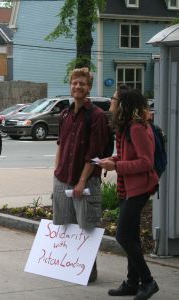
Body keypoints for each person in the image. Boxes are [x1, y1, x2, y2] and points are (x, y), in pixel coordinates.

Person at [98, 89, 159, 300]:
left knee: (123, 235)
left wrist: (117, 167)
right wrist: (113, 159)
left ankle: (148, 281)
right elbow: (127, 155)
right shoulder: (126, 128)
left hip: (140, 188)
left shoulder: (137, 128)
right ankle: (133, 283)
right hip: (128, 187)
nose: (110, 103)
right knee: (131, 235)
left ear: (122, 104)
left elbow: (146, 162)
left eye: (113, 99)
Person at [52, 67, 109, 283]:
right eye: (74, 83)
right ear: (70, 85)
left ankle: (88, 270)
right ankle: (69, 266)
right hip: (62, 178)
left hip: (85, 182)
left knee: (86, 226)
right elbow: (60, 144)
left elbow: (94, 154)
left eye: (82, 84)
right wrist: (56, 172)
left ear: (89, 87)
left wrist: (81, 181)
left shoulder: (96, 116)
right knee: (65, 225)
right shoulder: (65, 114)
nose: (77, 87)